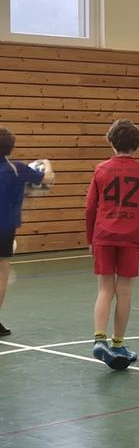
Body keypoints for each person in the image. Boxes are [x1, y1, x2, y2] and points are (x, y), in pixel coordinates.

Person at [85, 119, 139, 370]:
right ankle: (118, 343)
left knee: (104, 289)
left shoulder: (101, 169)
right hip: (129, 238)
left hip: (103, 235)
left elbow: (90, 207)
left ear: (112, 143)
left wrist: (90, 237)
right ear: (137, 145)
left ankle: (99, 339)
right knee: (124, 291)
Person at [0, 127, 54, 337]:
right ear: (11, 148)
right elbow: (47, 178)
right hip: (5, 228)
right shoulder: (18, 169)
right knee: (2, 272)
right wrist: (47, 162)